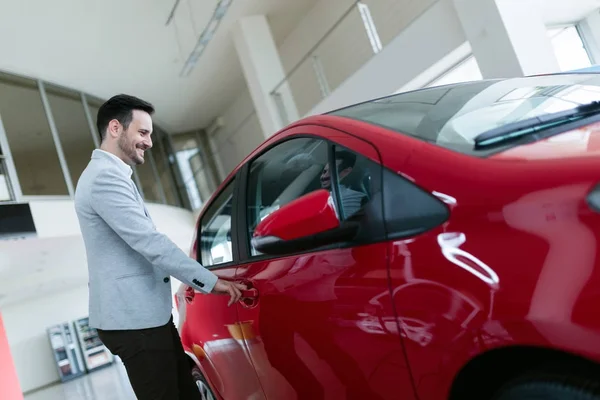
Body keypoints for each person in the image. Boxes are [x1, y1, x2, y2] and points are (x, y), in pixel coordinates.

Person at [74, 94, 246, 400]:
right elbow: (149, 242)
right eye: (142, 133)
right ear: (115, 128)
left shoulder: (111, 175)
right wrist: (209, 281)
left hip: (145, 318)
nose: (149, 142)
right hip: (135, 322)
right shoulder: (103, 178)